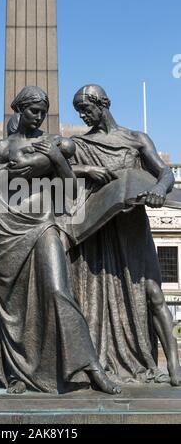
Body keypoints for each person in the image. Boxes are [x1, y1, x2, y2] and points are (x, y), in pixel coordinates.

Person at [0, 86, 121, 395]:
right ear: (20, 110)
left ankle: (91, 366)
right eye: (34, 110)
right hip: (4, 230)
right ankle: (18, 373)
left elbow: (69, 188)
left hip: (42, 224)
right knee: (14, 308)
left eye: (43, 112)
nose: (39, 117)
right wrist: (9, 175)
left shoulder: (51, 145)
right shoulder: (0, 148)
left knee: (58, 289)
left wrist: (52, 159)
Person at [70, 84, 181, 385]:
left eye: (85, 108)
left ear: (102, 103)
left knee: (153, 294)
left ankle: (172, 364)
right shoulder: (80, 145)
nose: (82, 115)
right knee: (96, 300)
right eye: (78, 110)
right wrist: (86, 170)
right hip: (98, 231)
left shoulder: (136, 139)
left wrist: (159, 190)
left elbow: (165, 173)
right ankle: (101, 361)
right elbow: (60, 174)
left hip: (133, 227)